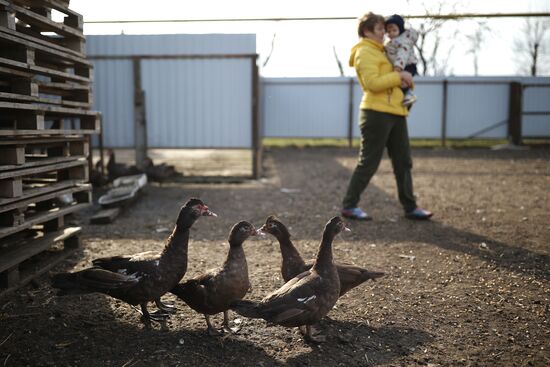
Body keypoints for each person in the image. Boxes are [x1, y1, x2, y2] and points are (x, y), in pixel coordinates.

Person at [341, 12, 432, 221]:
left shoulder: (384, 51)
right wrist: (399, 75)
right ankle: (349, 205)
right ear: (367, 31)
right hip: (375, 113)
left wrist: (407, 79)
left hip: (396, 111)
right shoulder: (364, 52)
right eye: (380, 29)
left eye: (384, 29)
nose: (385, 33)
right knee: (369, 162)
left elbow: (397, 79)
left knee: (403, 161)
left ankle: (410, 207)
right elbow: (372, 83)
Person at [384, 14, 419, 107]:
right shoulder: (392, 42)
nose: (391, 33)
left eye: (394, 30)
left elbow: (403, 54)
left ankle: (409, 95)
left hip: (408, 65)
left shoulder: (403, 41)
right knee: (401, 82)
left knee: (403, 82)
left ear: (400, 30)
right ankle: (407, 96)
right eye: (389, 31)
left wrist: (398, 67)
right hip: (402, 65)